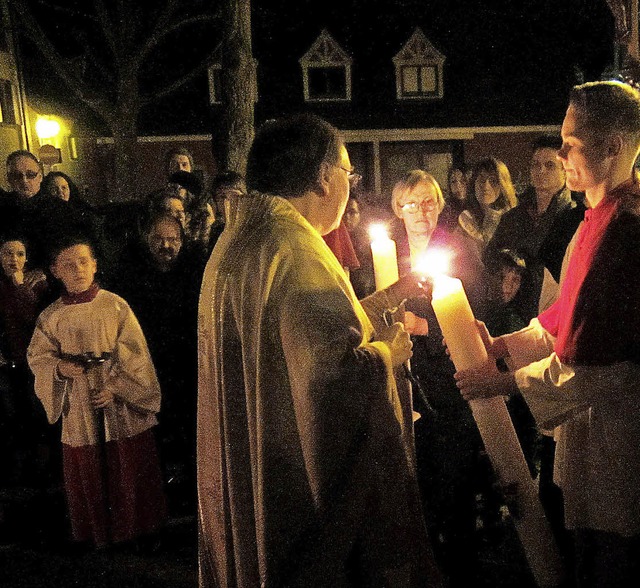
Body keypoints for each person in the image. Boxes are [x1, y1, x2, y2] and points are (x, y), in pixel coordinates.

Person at [198, 114, 442, 587]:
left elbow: (298, 338)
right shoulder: (297, 251)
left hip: (257, 443)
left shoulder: (244, 238)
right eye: (348, 174)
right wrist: (389, 353)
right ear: (323, 177)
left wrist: (387, 297)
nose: (350, 187)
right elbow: (330, 375)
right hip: (293, 470)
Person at [455, 80, 640, 588]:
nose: (559, 154)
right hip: (586, 428)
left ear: (614, 149)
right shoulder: (591, 221)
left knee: (611, 557)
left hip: (619, 433)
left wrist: (503, 384)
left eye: (572, 143)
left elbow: (607, 366)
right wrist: (504, 348)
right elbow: (566, 317)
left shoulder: (628, 232)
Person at [27, 237, 166, 549]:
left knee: (127, 463)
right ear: (54, 271)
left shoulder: (115, 306)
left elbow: (136, 355)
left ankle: (137, 529)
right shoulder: (51, 316)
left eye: (83, 262)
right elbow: (38, 357)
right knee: (89, 462)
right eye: (68, 264)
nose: (77, 270)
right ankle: (100, 532)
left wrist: (116, 387)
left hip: (118, 401)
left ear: (95, 265)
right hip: (78, 400)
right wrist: (60, 369)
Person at [488, 136, 574, 321]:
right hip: (513, 316)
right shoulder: (512, 218)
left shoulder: (574, 219)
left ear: (564, 171)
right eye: (536, 164)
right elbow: (491, 258)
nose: (541, 170)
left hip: (556, 315)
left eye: (550, 165)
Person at [457, 158, 517, 259]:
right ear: (473, 183)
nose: (486, 185)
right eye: (481, 179)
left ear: (502, 185)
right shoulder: (465, 219)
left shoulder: (513, 219)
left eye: (493, 181)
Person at [438, 165, 468, 233]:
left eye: (463, 180)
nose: (458, 186)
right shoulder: (445, 208)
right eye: (453, 182)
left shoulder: (477, 206)